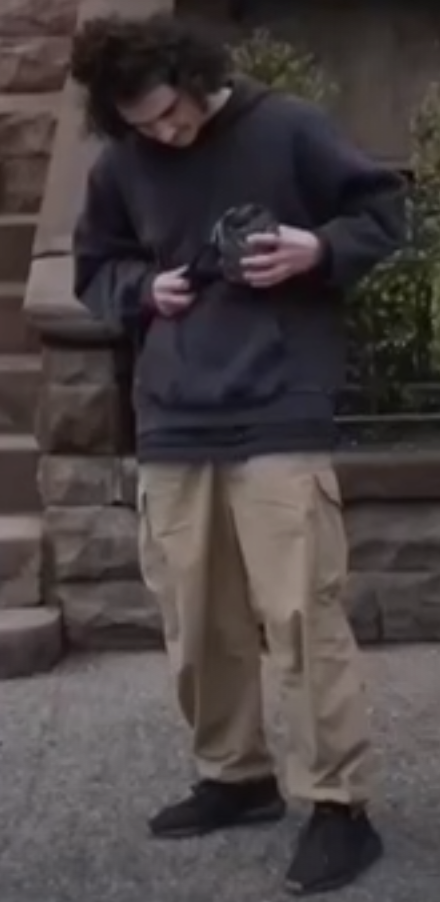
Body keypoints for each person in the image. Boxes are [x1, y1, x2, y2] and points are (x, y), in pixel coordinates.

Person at [71, 12, 405, 896]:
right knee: (195, 618)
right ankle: (236, 776)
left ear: (195, 76)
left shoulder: (288, 126)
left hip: (279, 405)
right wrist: (144, 289)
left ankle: (339, 806)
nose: (165, 134)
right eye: (142, 125)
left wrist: (317, 248)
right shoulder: (120, 164)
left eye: (170, 114)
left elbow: (383, 212)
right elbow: (95, 267)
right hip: (173, 417)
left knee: (300, 615)